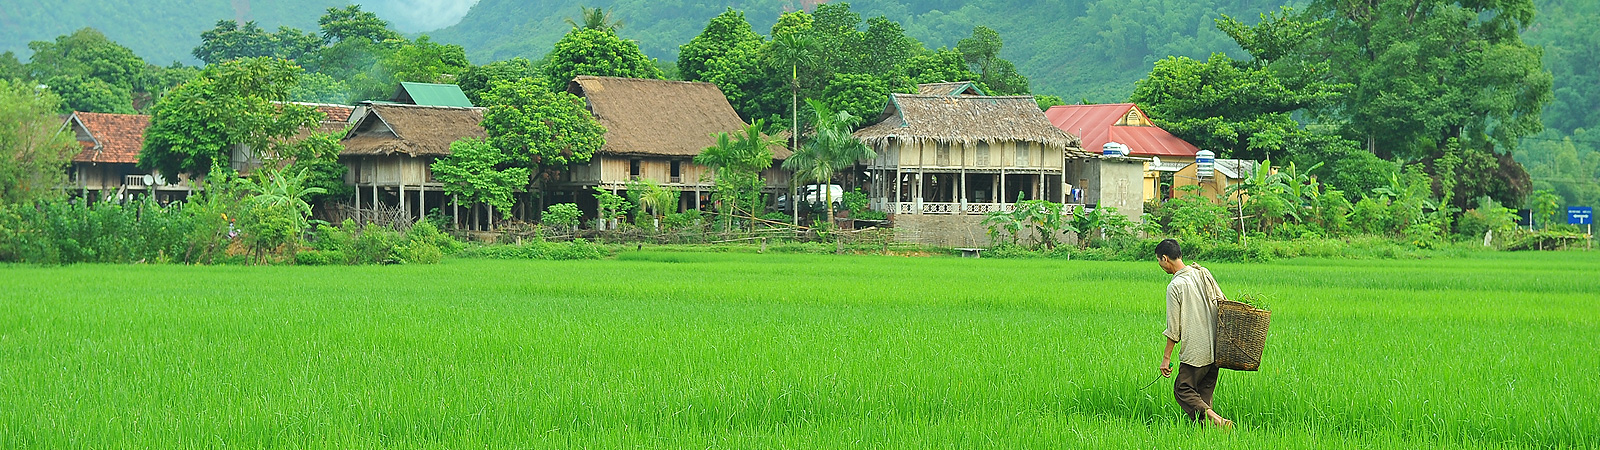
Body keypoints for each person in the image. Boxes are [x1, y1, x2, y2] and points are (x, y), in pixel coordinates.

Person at [1155, 238, 1233, 428]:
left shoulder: (1175, 286)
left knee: (1183, 389)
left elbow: (1174, 329)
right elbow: (1223, 302)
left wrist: (1166, 358)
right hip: (1216, 349)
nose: (1160, 265)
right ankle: (1207, 436)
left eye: (1158, 260)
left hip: (1196, 351)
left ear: (1165, 258)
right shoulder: (1202, 272)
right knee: (1203, 396)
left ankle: (1218, 421)